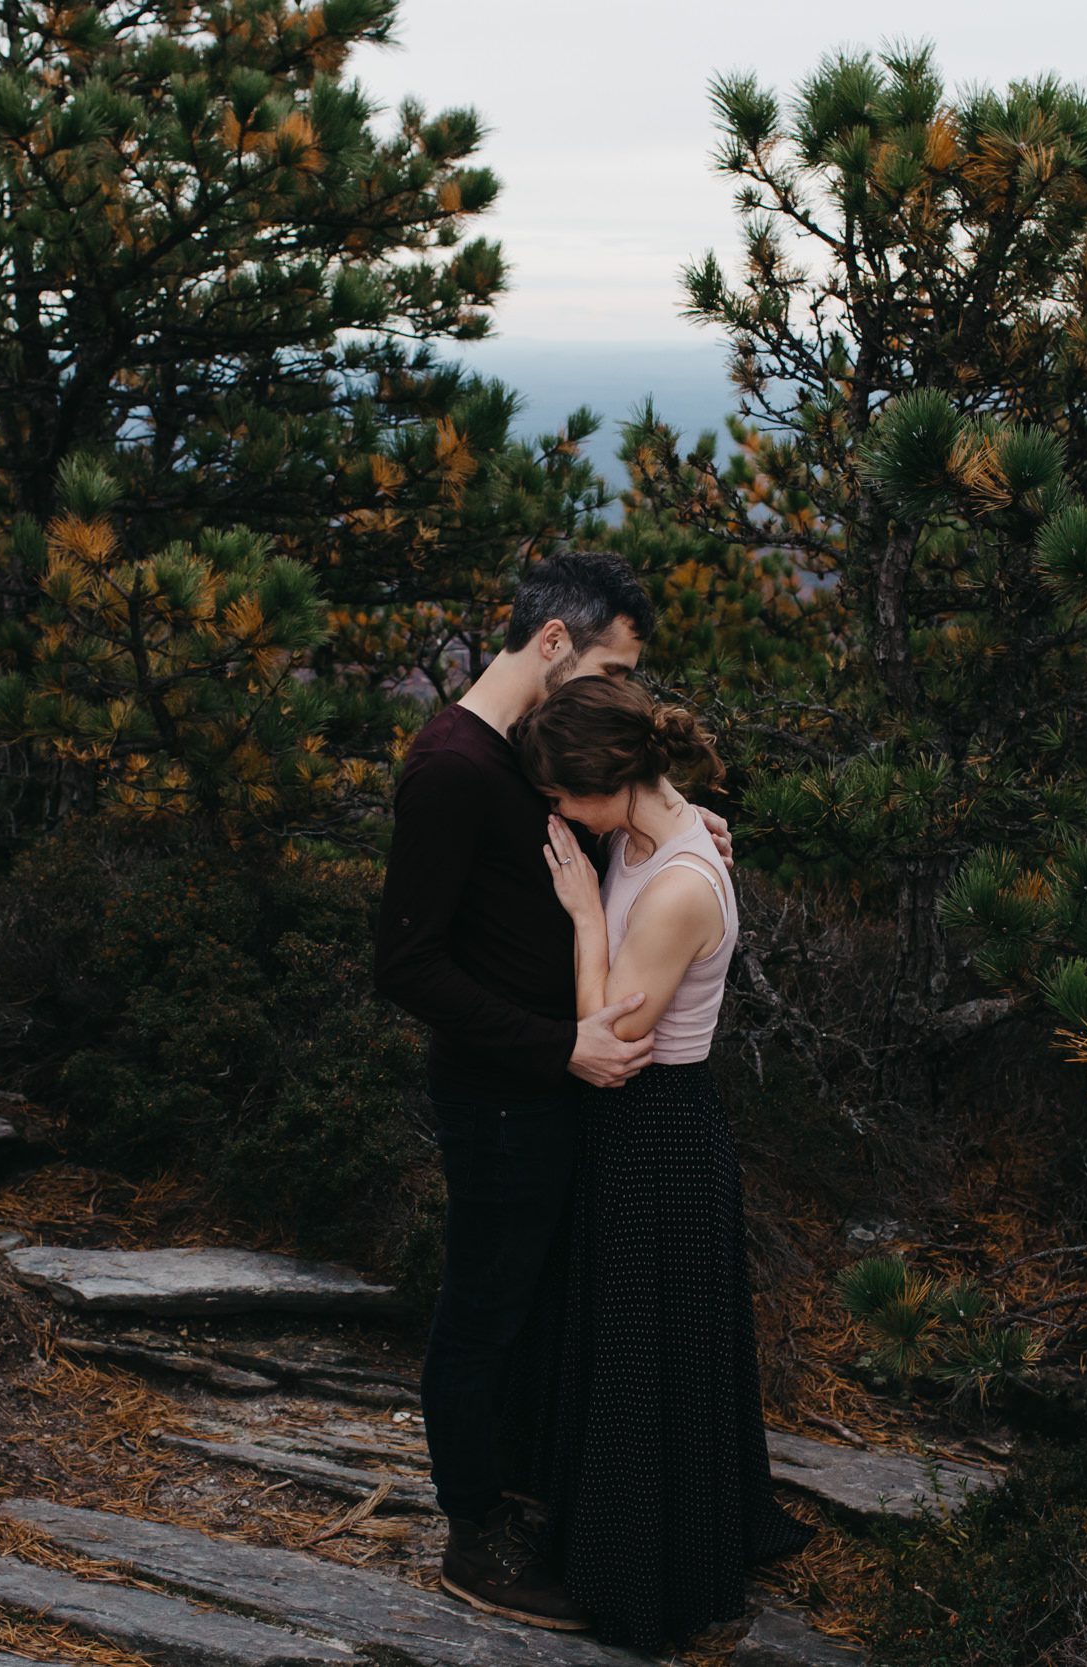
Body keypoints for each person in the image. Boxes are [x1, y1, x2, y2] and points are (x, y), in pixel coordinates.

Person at [372, 552, 731, 1632]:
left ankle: (535, 1490)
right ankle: (473, 1529)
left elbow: (609, 827)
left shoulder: (532, 756)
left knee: (539, 1302)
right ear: (554, 645)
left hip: (567, 1081)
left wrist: (680, 826)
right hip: (503, 1090)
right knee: (483, 1305)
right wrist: (553, 1047)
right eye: (611, 666)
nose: (620, 695)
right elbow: (407, 964)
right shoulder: (449, 768)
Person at [509, 674, 815, 1651]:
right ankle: (623, 1536)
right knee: (630, 1342)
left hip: (657, 1126)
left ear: (606, 782)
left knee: (647, 1353)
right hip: (642, 1129)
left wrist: (582, 914)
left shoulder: (680, 881)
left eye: (560, 795)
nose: (555, 812)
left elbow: (613, 1036)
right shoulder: (644, 829)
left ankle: (647, 1580)